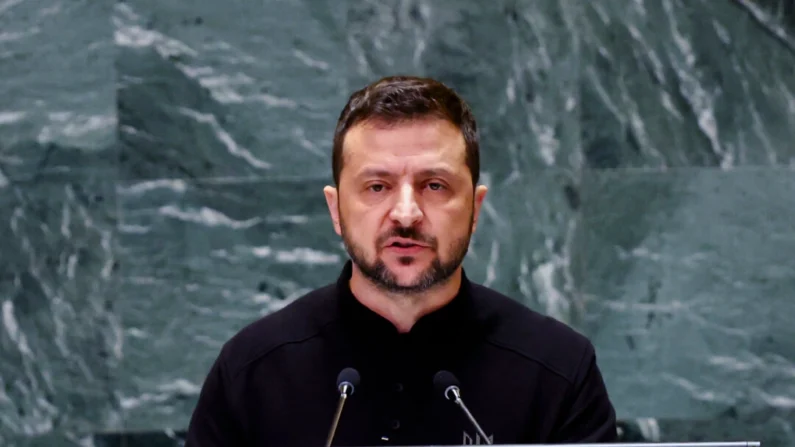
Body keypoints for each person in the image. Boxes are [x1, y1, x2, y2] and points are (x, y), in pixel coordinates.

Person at [185, 75, 618, 446]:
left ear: (475, 208)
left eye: (434, 185)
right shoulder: (253, 372)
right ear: (336, 210)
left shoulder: (558, 370)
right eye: (377, 186)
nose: (406, 213)